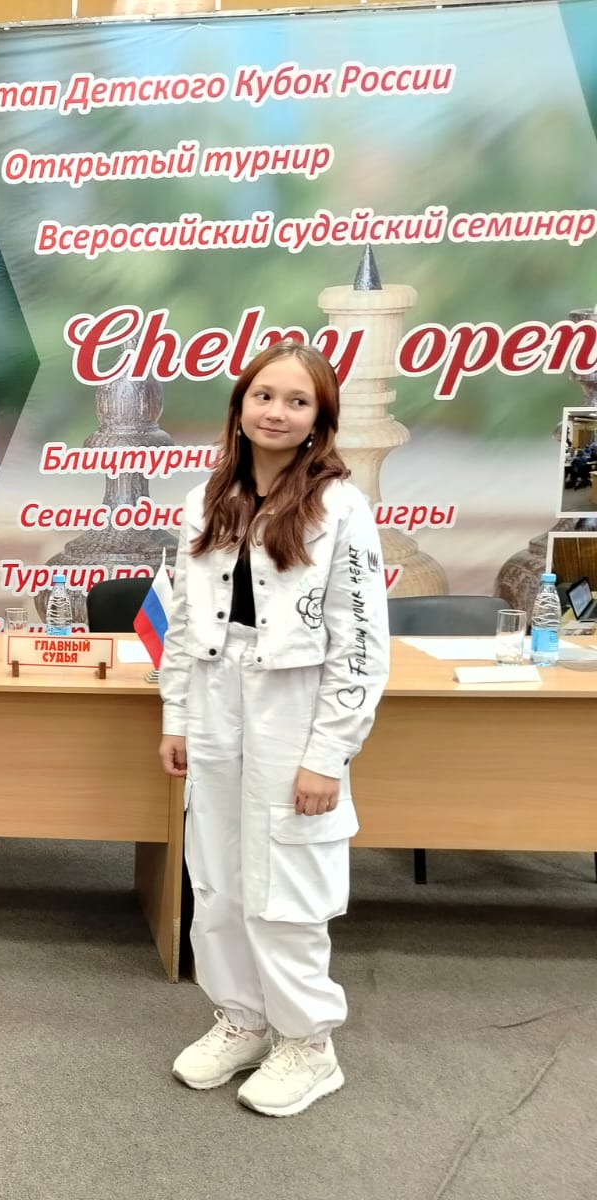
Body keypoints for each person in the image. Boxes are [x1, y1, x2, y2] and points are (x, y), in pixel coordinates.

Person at [158, 340, 389, 1117]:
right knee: (217, 878)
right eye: (264, 396)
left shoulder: (341, 509)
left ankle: (308, 1044)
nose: (277, 412)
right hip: (215, 701)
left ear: (320, 419)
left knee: (284, 884)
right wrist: (177, 715)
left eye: (297, 401)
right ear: (240, 407)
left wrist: (329, 754)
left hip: (293, 710)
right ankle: (244, 1020)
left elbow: (361, 646)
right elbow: (183, 621)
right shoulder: (206, 499)